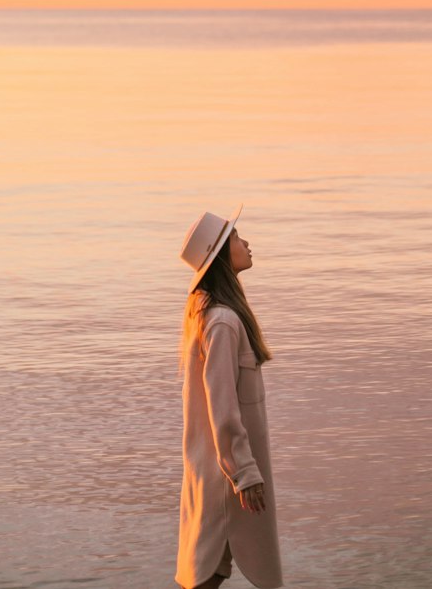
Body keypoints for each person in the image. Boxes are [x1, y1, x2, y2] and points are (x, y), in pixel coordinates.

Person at [176, 206, 284, 589]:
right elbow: (222, 406)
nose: (246, 242)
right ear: (222, 256)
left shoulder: (212, 314)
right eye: (237, 238)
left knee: (210, 570)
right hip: (226, 476)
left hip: (216, 469)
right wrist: (243, 472)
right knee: (207, 572)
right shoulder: (222, 320)